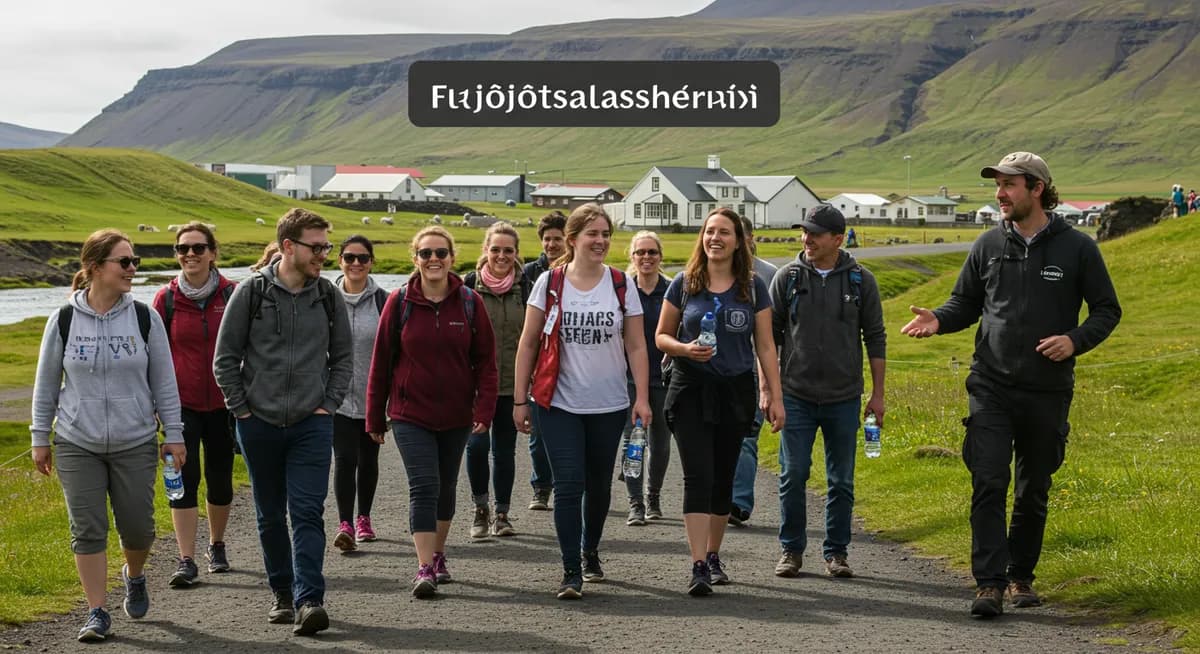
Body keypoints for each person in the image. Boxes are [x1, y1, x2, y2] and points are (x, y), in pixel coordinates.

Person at [902, 151, 1121, 617]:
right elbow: (965, 303)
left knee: (1032, 488)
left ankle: (1021, 576)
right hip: (991, 385)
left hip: (1048, 389)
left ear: (1037, 188)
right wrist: (938, 320)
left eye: (1009, 185)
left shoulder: (1077, 247)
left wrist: (1074, 340)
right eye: (997, 186)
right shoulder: (986, 245)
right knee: (987, 480)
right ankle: (989, 584)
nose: (1000, 194)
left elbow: (1107, 310)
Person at [30, 229, 185, 642]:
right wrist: (39, 438)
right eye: (125, 262)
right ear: (95, 267)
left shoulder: (143, 317)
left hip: (135, 440)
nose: (133, 269)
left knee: (138, 530)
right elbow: (46, 385)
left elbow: (164, 383)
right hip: (76, 442)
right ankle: (96, 611)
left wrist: (175, 434)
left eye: (134, 261)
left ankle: (133, 575)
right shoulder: (63, 319)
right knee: (88, 528)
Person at [213, 208, 352, 636]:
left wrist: (328, 404)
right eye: (317, 246)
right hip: (258, 424)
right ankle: (282, 594)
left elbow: (344, 359)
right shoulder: (251, 293)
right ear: (289, 246)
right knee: (270, 514)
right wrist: (242, 410)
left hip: (313, 423)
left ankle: (310, 599)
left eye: (327, 246)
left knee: (308, 511)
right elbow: (225, 359)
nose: (324, 255)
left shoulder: (328, 296)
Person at [512, 203, 651, 599]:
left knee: (599, 485)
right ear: (572, 240)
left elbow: (637, 345)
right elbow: (527, 343)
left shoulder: (622, 284)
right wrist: (520, 399)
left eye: (606, 234)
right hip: (558, 403)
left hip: (609, 404)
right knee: (569, 484)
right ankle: (571, 569)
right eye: (593, 234)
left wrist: (641, 398)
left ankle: (591, 550)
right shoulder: (550, 283)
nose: (601, 241)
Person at [656, 208, 784, 596]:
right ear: (702, 238)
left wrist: (775, 396)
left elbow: (765, 345)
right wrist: (683, 348)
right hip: (691, 389)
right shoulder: (684, 283)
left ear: (738, 240)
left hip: (735, 392)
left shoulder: (753, 287)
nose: (715, 238)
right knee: (697, 475)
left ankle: (713, 555)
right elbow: (662, 336)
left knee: (722, 479)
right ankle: (697, 565)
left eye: (724, 232)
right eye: (709, 231)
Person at [365, 226, 497, 598]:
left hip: (457, 414)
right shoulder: (400, 302)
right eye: (426, 253)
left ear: (452, 258)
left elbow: (486, 363)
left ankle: (439, 554)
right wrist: (374, 416)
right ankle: (424, 567)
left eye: (440, 253)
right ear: (415, 258)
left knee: (447, 487)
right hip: (410, 414)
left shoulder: (470, 302)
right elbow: (381, 362)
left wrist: (484, 410)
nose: (433, 259)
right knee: (423, 486)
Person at [771, 204, 886, 582]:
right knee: (794, 473)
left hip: (844, 396)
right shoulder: (786, 278)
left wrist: (878, 395)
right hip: (795, 395)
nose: (807, 239)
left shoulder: (860, 280)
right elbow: (767, 339)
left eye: (815, 234)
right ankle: (791, 550)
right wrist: (768, 391)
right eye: (804, 232)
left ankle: (836, 553)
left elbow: (876, 338)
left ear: (838, 239)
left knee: (841, 480)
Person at [152, 222, 237, 588]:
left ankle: (216, 545)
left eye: (198, 248)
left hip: (225, 405)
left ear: (212, 253)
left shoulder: (232, 295)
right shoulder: (165, 300)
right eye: (182, 248)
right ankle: (185, 558)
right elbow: (152, 356)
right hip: (177, 408)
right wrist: (155, 405)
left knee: (220, 480)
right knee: (181, 482)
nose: (189, 254)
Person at [463, 222, 531, 538]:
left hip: (512, 386)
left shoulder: (528, 288)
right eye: (495, 249)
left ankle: (502, 513)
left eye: (508, 250)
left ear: (516, 253)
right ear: (485, 251)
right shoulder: (467, 288)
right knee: (476, 447)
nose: (501, 256)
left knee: (504, 452)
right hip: (474, 388)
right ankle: (481, 508)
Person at [330, 235, 389, 552]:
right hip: (336, 399)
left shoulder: (384, 300)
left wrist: (388, 399)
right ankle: (345, 523)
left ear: (371, 262)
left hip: (372, 398)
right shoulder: (326, 298)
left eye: (362, 258)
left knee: (368, 460)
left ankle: (364, 517)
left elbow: (394, 352)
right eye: (349, 257)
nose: (355, 264)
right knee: (344, 459)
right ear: (339, 260)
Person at [619, 231, 673, 526]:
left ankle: (653, 496)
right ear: (633, 256)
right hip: (628, 379)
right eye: (641, 252)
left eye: (652, 252)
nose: (647, 258)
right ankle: (635, 502)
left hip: (663, 379)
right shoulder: (624, 291)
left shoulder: (672, 290)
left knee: (661, 443)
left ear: (660, 256)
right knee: (633, 441)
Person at [729, 216, 779, 527]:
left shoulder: (770, 275)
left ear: (749, 238)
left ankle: (738, 502)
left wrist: (772, 381)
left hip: (753, 369)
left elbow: (774, 333)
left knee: (747, 437)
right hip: (717, 368)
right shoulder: (706, 272)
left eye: (738, 235)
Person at [522, 210, 567, 511]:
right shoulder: (528, 274)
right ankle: (541, 487)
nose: (551, 244)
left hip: (569, 360)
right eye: (547, 239)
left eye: (557, 239)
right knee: (538, 434)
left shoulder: (580, 273)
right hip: (537, 362)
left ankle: (569, 484)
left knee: (569, 432)